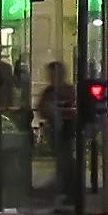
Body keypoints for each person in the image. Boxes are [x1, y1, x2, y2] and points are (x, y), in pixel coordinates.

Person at [36, 61, 75, 207]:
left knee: (66, 162)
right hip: (55, 131)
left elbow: (74, 108)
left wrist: (60, 110)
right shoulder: (49, 91)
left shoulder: (68, 90)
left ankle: (67, 191)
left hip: (67, 130)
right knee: (61, 161)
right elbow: (40, 109)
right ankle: (61, 189)